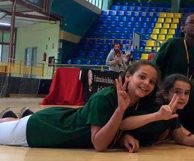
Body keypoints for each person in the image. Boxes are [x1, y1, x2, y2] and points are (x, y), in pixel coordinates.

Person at [0, 61, 160, 151]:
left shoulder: (137, 104)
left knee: (12, 124)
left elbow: (114, 129)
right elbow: (99, 144)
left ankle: (11, 118)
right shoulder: (103, 98)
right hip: (44, 129)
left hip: (55, 123)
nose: (147, 83)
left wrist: (122, 139)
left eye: (152, 82)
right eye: (142, 77)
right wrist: (119, 110)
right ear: (128, 76)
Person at [120, 73, 194, 149]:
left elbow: (179, 136)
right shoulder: (155, 108)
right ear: (165, 93)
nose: (183, 97)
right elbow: (123, 124)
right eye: (177, 92)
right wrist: (126, 137)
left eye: (186, 93)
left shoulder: (173, 113)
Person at [153, 13, 194, 80]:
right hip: (167, 85)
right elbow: (155, 65)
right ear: (182, 28)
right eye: (191, 22)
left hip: (188, 86)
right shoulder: (172, 44)